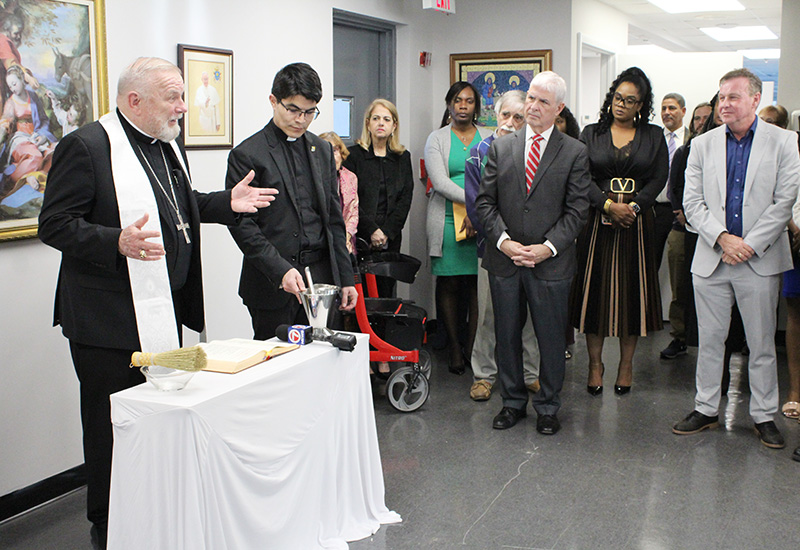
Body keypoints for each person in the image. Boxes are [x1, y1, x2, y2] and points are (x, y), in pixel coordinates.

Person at [37, 57, 276, 549]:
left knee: (156, 420)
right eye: (173, 97)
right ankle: (107, 524)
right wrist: (114, 242)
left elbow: (178, 207)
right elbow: (54, 224)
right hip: (106, 323)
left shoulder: (164, 144)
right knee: (111, 426)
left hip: (160, 312)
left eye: (184, 97)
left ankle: (151, 511)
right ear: (134, 101)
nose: (184, 108)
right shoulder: (86, 147)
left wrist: (222, 205)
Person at [673, 68, 800, 450]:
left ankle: (763, 416)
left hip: (758, 259)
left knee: (761, 343)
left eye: (733, 97)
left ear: (755, 100)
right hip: (712, 257)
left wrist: (748, 244)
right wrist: (723, 239)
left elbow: (785, 201)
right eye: (721, 97)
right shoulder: (703, 144)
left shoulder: (784, 141)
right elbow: (691, 203)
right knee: (710, 340)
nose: (724, 104)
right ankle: (706, 408)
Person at [476, 71, 591, 433]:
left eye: (543, 101)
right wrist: (504, 242)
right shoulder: (501, 147)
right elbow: (484, 204)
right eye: (530, 99)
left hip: (551, 264)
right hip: (505, 260)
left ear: (559, 108)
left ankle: (548, 406)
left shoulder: (574, 151)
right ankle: (511, 402)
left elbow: (578, 211)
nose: (533, 107)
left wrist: (546, 248)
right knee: (506, 335)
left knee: (551, 338)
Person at [226, 62, 357, 341]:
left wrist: (346, 278)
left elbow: (334, 219)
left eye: (310, 112)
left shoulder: (321, 149)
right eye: (293, 110)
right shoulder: (248, 154)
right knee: (274, 368)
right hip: (272, 282)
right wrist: (281, 270)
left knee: (320, 361)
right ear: (273, 101)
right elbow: (243, 227)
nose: (301, 119)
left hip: (320, 280)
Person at [569, 67, 668, 396]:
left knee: (632, 296)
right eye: (617, 98)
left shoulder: (654, 136)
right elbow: (581, 177)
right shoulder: (591, 133)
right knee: (594, 294)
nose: (621, 105)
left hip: (637, 225)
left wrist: (634, 208)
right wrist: (609, 206)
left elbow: (658, 179)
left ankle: (626, 365)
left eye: (630, 100)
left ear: (641, 105)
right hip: (597, 221)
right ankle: (595, 364)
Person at [464, 89, 540, 401]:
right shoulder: (479, 152)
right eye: (505, 115)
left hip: (531, 251)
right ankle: (484, 374)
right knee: (488, 315)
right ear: (496, 116)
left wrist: (526, 242)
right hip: (493, 249)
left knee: (531, 316)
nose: (510, 122)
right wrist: (504, 240)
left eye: (518, 117)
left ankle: (532, 373)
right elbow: (476, 206)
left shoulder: (535, 151)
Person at [425, 81, 492, 374]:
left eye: (469, 101)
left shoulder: (490, 136)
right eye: (457, 100)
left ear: (476, 105)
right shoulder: (436, 139)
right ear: (449, 104)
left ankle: (473, 347)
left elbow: (497, 176)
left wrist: (479, 212)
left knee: (479, 286)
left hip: (484, 220)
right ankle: (453, 347)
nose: (463, 106)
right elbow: (439, 182)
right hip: (447, 220)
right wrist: (475, 202)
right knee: (450, 283)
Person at [343, 98, 413, 296]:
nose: (381, 123)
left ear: (394, 125)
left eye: (386, 119)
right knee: (360, 298)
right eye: (376, 118)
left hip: (390, 238)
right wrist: (372, 230)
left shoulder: (402, 157)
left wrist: (386, 232)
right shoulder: (353, 156)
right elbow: (351, 199)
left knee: (386, 294)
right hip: (360, 237)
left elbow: (405, 199)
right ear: (368, 123)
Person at [757, 105, 800, 421]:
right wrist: (793, 226)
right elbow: (782, 194)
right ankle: (795, 392)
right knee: (795, 314)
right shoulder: (791, 146)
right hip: (796, 237)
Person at [658, 93, 691, 360]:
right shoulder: (656, 139)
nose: (667, 112)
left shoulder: (692, 141)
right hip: (655, 210)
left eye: (672, 108)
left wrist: (682, 210)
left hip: (684, 214)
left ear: (683, 110)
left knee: (681, 278)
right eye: (663, 108)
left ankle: (683, 334)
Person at [0, 65, 57, 197]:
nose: (13, 89)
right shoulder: (11, 102)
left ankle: (34, 176)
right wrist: (2, 129)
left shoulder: (33, 97)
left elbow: (43, 119)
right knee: (35, 156)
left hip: (36, 135)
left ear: (21, 80)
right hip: (20, 139)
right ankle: (19, 179)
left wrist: (43, 135)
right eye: (10, 86)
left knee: (54, 153)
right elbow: (5, 121)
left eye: (14, 84)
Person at [319, 131, 358, 255]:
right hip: (320, 242)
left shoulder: (350, 177)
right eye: (326, 151)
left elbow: (353, 213)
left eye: (335, 150)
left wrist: (345, 237)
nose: (331, 156)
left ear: (341, 153)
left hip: (346, 241)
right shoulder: (312, 179)